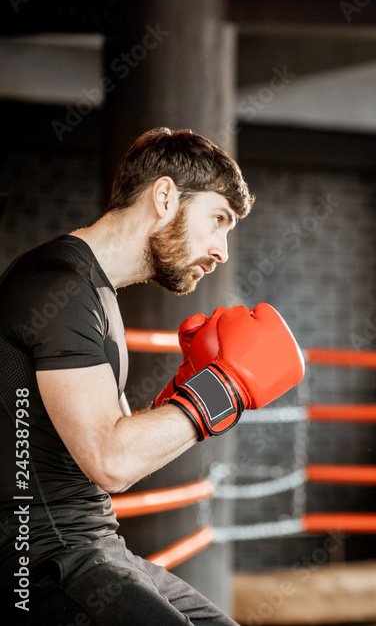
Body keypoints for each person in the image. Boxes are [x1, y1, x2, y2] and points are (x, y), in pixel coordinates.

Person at [0, 127, 304, 625]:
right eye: (218, 220)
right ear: (164, 197)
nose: (222, 249)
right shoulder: (57, 288)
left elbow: (116, 449)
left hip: (92, 544)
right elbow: (111, 461)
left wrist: (185, 389)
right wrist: (224, 389)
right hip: (37, 564)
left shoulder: (97, 292)